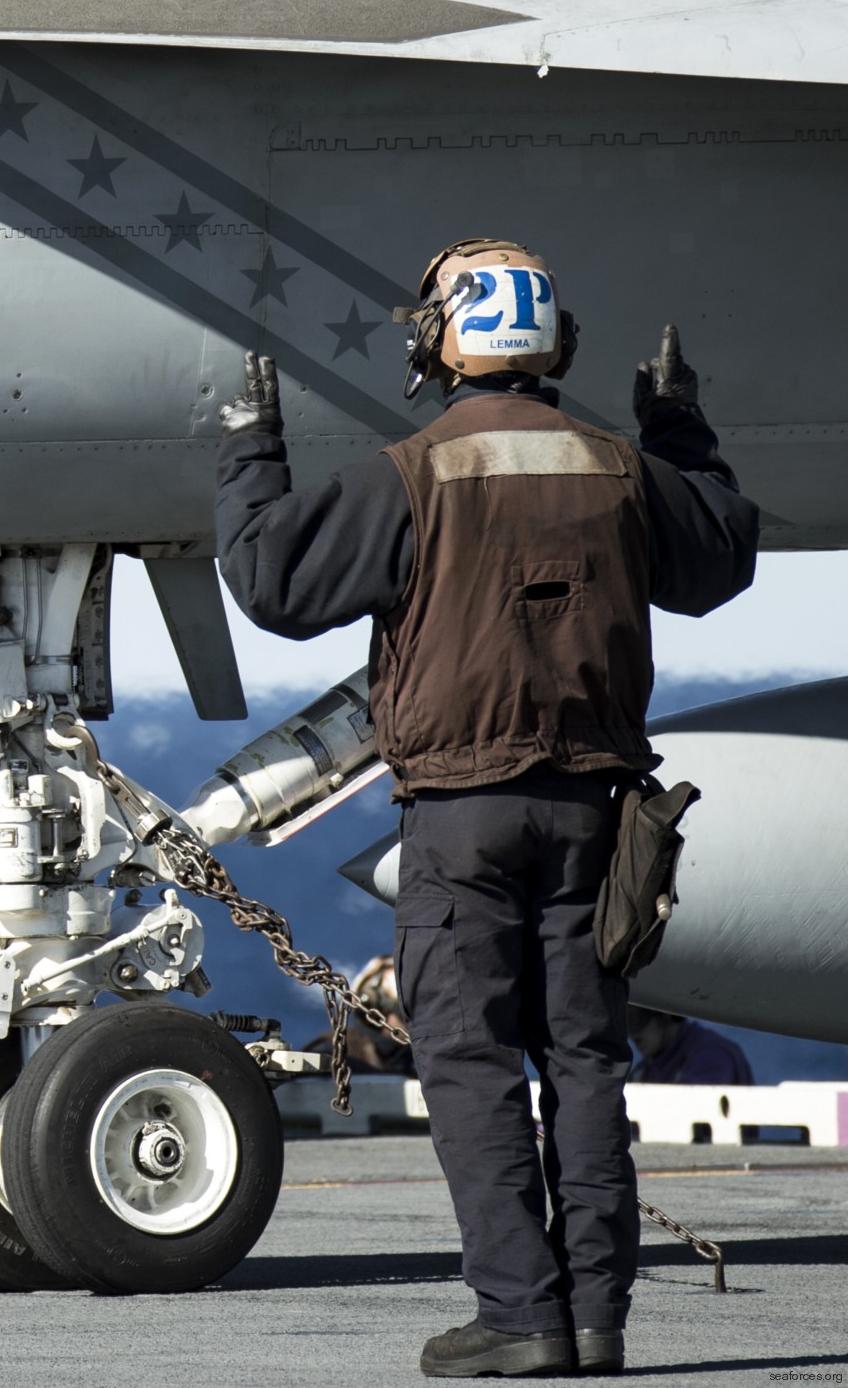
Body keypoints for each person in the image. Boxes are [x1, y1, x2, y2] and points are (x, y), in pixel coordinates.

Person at [215, 239, 759, 1378]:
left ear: (438, 341)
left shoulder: (417, 470)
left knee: (467, 1061)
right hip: (599, 816)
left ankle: (521, 1314)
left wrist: (245, 449)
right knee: (586, 1059)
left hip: (464, 816)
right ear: (553, 343)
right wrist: (677, 428)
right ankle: (598, 1316)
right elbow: (719, 556)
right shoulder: (617, 465)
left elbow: (271, 580)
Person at [628, 1005, 754, 1086]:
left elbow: (691, 1116)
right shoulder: (644, 1070)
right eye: (623, 1020)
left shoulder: (711, 1056)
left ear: (666, 1014)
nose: (631, 1032)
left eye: (636, 1019)